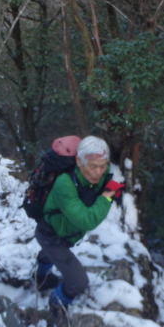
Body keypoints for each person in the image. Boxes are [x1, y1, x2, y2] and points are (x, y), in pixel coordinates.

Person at [34, 136, 120, 317]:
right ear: (78, 162)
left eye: (102, 166)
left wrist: (113, 185)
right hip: (50, 235)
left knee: (49, 254)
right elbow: (87, 221)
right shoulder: (64, 184)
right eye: (93, 166)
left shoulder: (98, 171)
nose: (98, 172)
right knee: (78, 282)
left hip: (65, 232)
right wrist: (106, 197)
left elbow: (108, 179)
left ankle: (41, 277)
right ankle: (57, 305)